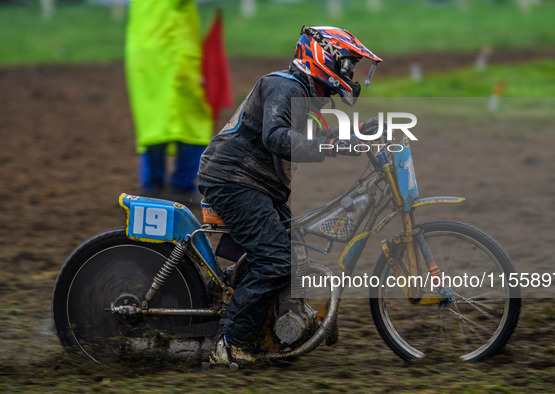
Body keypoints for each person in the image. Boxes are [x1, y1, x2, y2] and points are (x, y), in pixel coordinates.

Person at [198, 26, 382, 366]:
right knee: (277, 261)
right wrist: (332, 145)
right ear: (324, 57)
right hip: (234, 180)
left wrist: (359, 134)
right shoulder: (284, 86)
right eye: (346, 65)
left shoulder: (307, 96)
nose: (350, 75)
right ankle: (229, 342)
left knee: (292, 251)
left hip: (256, 185)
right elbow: (277, 136)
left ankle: (268, 328)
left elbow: (318, 135)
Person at [125, 0, 213, 201]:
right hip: (173, 51)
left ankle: (152, 186)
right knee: (193, 119)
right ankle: (182, 183)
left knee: (153, 121)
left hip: (142, 49)